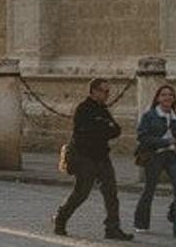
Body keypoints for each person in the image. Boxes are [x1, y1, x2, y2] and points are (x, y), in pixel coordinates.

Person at [54, 78, 133, 241]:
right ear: (94, 91)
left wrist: (103, 128)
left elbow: (116, 130)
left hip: (102, 157)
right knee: (81, 193)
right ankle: (61, 218)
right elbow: (87, 133)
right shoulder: (83, 109)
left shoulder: (103, 109)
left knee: (111, 193)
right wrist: (104, 128)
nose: (107, 94)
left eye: (108, 91)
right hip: (85, 158)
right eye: (104, 91)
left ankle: (112, 228)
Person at [134, 84, 176, 239]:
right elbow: (142, 137)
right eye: (163, 95)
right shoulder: (150, 115)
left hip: (174, 157)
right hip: (155, 156)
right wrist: (165, 141)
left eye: (170, 95)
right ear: (158, 98)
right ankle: (141, 223)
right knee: (149, 190)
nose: (167, 97)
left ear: (174, 98)